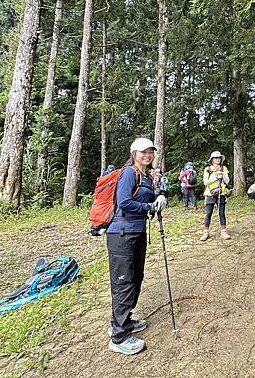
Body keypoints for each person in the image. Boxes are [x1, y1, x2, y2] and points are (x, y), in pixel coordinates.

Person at [107, 138, 167, 355]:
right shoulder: (128, 174)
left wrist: (159, 197)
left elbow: (148, 200)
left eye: (150, 152)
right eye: (143, 152)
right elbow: (123, 202)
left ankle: (125, 320)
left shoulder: (147, 176)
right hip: (121, 234)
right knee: (123, 282)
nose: (147, 155)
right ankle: (118, 336)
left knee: (134, 278)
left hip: (137, 232)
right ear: (134, 153)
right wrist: (149, 205)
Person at [200, 151, 231, 241]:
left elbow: (227, 181)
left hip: (221, 193)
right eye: (215, 158)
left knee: (221, 213)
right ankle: (205, 233)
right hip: (210, 194)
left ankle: (223, 232)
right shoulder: (208, 169)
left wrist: (222, 174)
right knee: (208, 214)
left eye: (219, 158)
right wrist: (215, 177)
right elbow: (205, 182)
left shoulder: (223, 168)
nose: (217, 159)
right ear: (212, 160)